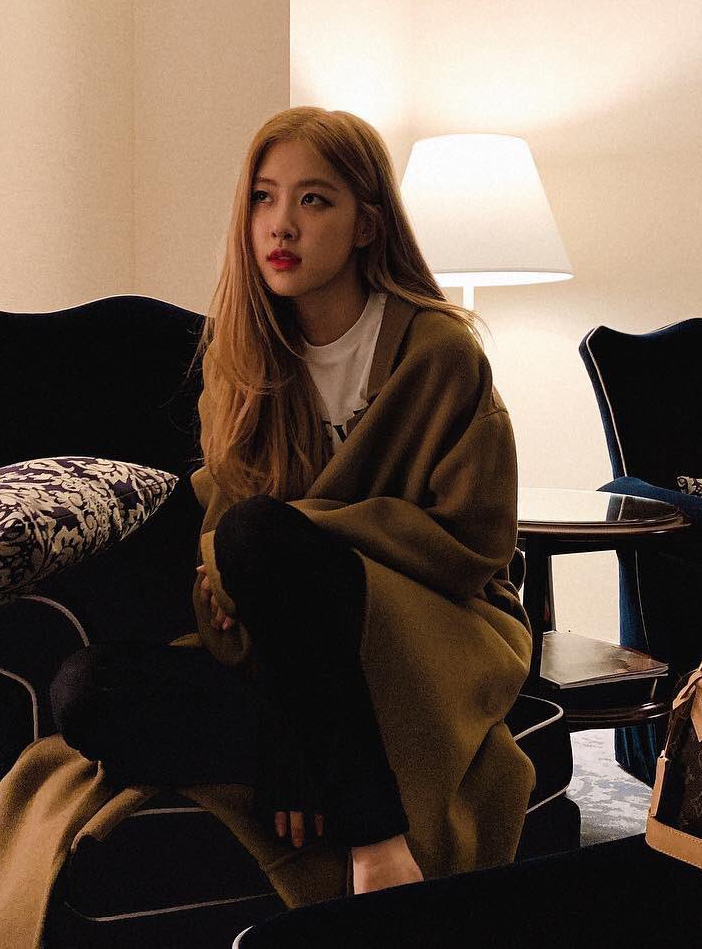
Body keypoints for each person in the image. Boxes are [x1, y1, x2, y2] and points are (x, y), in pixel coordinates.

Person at [46, 106, 532, 903]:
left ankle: (377, 840)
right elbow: (224, 517)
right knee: (84, 690)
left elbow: (474, 542)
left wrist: (297, 533)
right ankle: (300, 750)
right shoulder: (242, 358)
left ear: (367, 223)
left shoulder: (440, 351)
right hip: (287, 648)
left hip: (430, 626)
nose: (282, 224)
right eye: (264, 198)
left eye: (314, 199)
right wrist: (238, 561)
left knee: (257, 534)